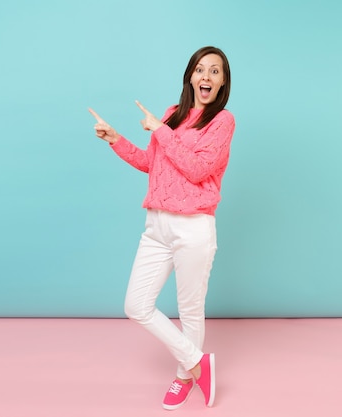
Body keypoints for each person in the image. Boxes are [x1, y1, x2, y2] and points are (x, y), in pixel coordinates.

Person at [88, 46, 235, 410]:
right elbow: (152, 164)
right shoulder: (172, 114)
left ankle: (186, 375)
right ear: (190, 76)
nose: (206, 76)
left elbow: (198, 170)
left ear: (222, 82)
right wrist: (116, 140)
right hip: (157, 225)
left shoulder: (222, 122)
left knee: (190, 309)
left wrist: (160, 130)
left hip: (194, 228)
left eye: (214, 72)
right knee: (136, 305)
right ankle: (197, 362)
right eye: (200, 69)